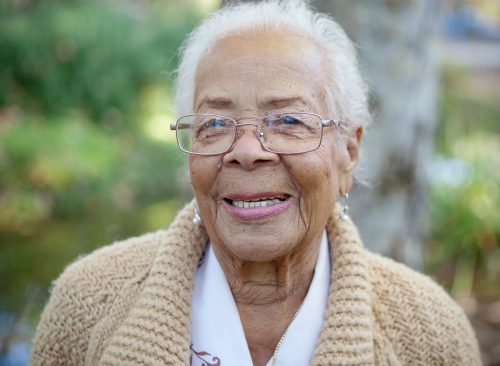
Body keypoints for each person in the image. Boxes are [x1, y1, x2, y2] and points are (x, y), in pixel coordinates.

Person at [30, 1, 481, 365]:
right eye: (215, 123)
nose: (246, 150)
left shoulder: (430, 333)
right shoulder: (88, 302)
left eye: (287, 120)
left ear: (348, 151)